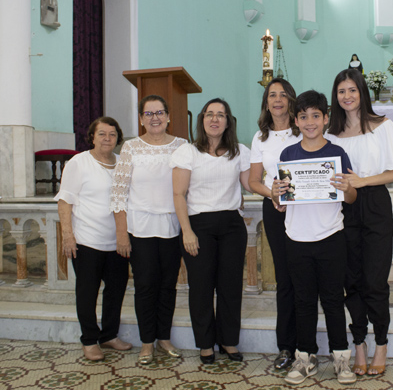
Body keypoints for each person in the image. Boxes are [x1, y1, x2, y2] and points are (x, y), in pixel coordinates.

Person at [326, 68, 393, 376]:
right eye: (341, 91)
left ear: (362, 92)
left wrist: (362, 181)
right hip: (341, 210)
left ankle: (381, 344)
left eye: (352, 90)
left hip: (374, 204)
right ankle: (359, 343)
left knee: (375, 281)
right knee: (351, 281)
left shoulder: (383, 126)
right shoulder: (330, 133)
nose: (347, 96)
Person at [271, 90, 357, 385]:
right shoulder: (288, 154)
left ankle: (341, 359)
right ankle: (305, 357)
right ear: (296, 121)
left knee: (333, 300)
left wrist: (347, 187)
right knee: (303, 301)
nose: (310, 122)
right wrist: (276, 195)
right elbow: (280, 199)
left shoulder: (337, 153)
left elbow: (351, 197)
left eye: (316, 116)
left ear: (326, 119)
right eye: (304, 116)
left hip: (331, 236)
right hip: (296, 238)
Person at [172, 98, 251, 365]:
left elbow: (250, 184)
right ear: (202, 119)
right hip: (198, 225)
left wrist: (278, 187)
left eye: (220, 115)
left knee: (230, 286)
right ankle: (206, 344)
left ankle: (228, 340)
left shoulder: (239, 151)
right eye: (209, 114)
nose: (214, 119)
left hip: (231, 226)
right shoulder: (188, 152)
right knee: (201, 287)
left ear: (228, 122)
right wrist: (187, 231)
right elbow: (179, 194)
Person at [110, 95, 186, 365]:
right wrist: (122, 233)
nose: (155, 118)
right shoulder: (131, 147)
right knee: (145, 286)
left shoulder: (182, 146)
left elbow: (189, 187)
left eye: (160, 112)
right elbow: (118, 193)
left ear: (168, 116)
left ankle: (164, 338)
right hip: (139, 228)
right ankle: (146, 343)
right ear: (141, 119)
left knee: (168, 285)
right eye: (149, 113)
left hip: (171, 226)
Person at [56, 117, 131, 362]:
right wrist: (68, 235)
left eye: (112, 134)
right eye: (102, 134)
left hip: (117, 241)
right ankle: (89, 340)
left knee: (116, 290)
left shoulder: (122, 163)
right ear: (92, 137)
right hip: (87, 240)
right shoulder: (79, 162)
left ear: (118, 138)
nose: (107, 138)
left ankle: (109, 335)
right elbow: (65, 200)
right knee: (87, 292)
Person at [248, 78, 301, 370]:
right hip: (276, 209)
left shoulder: (303, 128)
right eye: (272, 95)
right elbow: (254, 181)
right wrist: (272, 194)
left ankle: (307, 343)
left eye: (282, 94)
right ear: (266, 103)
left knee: (307, 276)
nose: (277, 100)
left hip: (306, 211)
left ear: (291, 99)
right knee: (285, 278)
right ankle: (286, 346)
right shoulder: (261, 137)